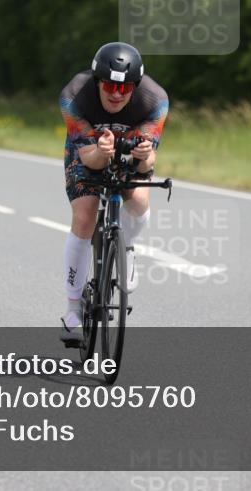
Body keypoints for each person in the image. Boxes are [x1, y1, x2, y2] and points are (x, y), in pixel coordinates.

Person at [58, 42, 168, 341]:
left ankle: (127, 246)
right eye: (109, 85)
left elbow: (146, 166)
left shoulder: (154, 99)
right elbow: (89, 159)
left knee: (139, 198)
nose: (116, 94)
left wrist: (144, 156)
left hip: (130, 149)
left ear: (136, 86)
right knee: (85, 216)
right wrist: (101, 152)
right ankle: (72, 310)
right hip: (89, 150)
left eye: (125, 88)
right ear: (97, 82)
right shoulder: (75, 95)